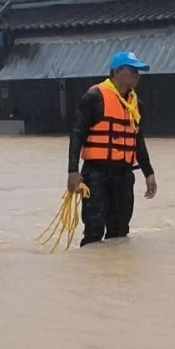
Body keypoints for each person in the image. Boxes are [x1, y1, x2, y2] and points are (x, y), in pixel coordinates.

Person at [67, 51, 157, 246]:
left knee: (120, 230)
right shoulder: (94, 96)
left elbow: (137, 139)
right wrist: (73, 171)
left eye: (138, 71)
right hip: (96, 174)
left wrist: (148, 173)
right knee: (94, 229)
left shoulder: (136, 104)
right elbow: (77, 133)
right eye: (133, 70)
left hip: (124, 175)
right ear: (117, 72)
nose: (137, 75)